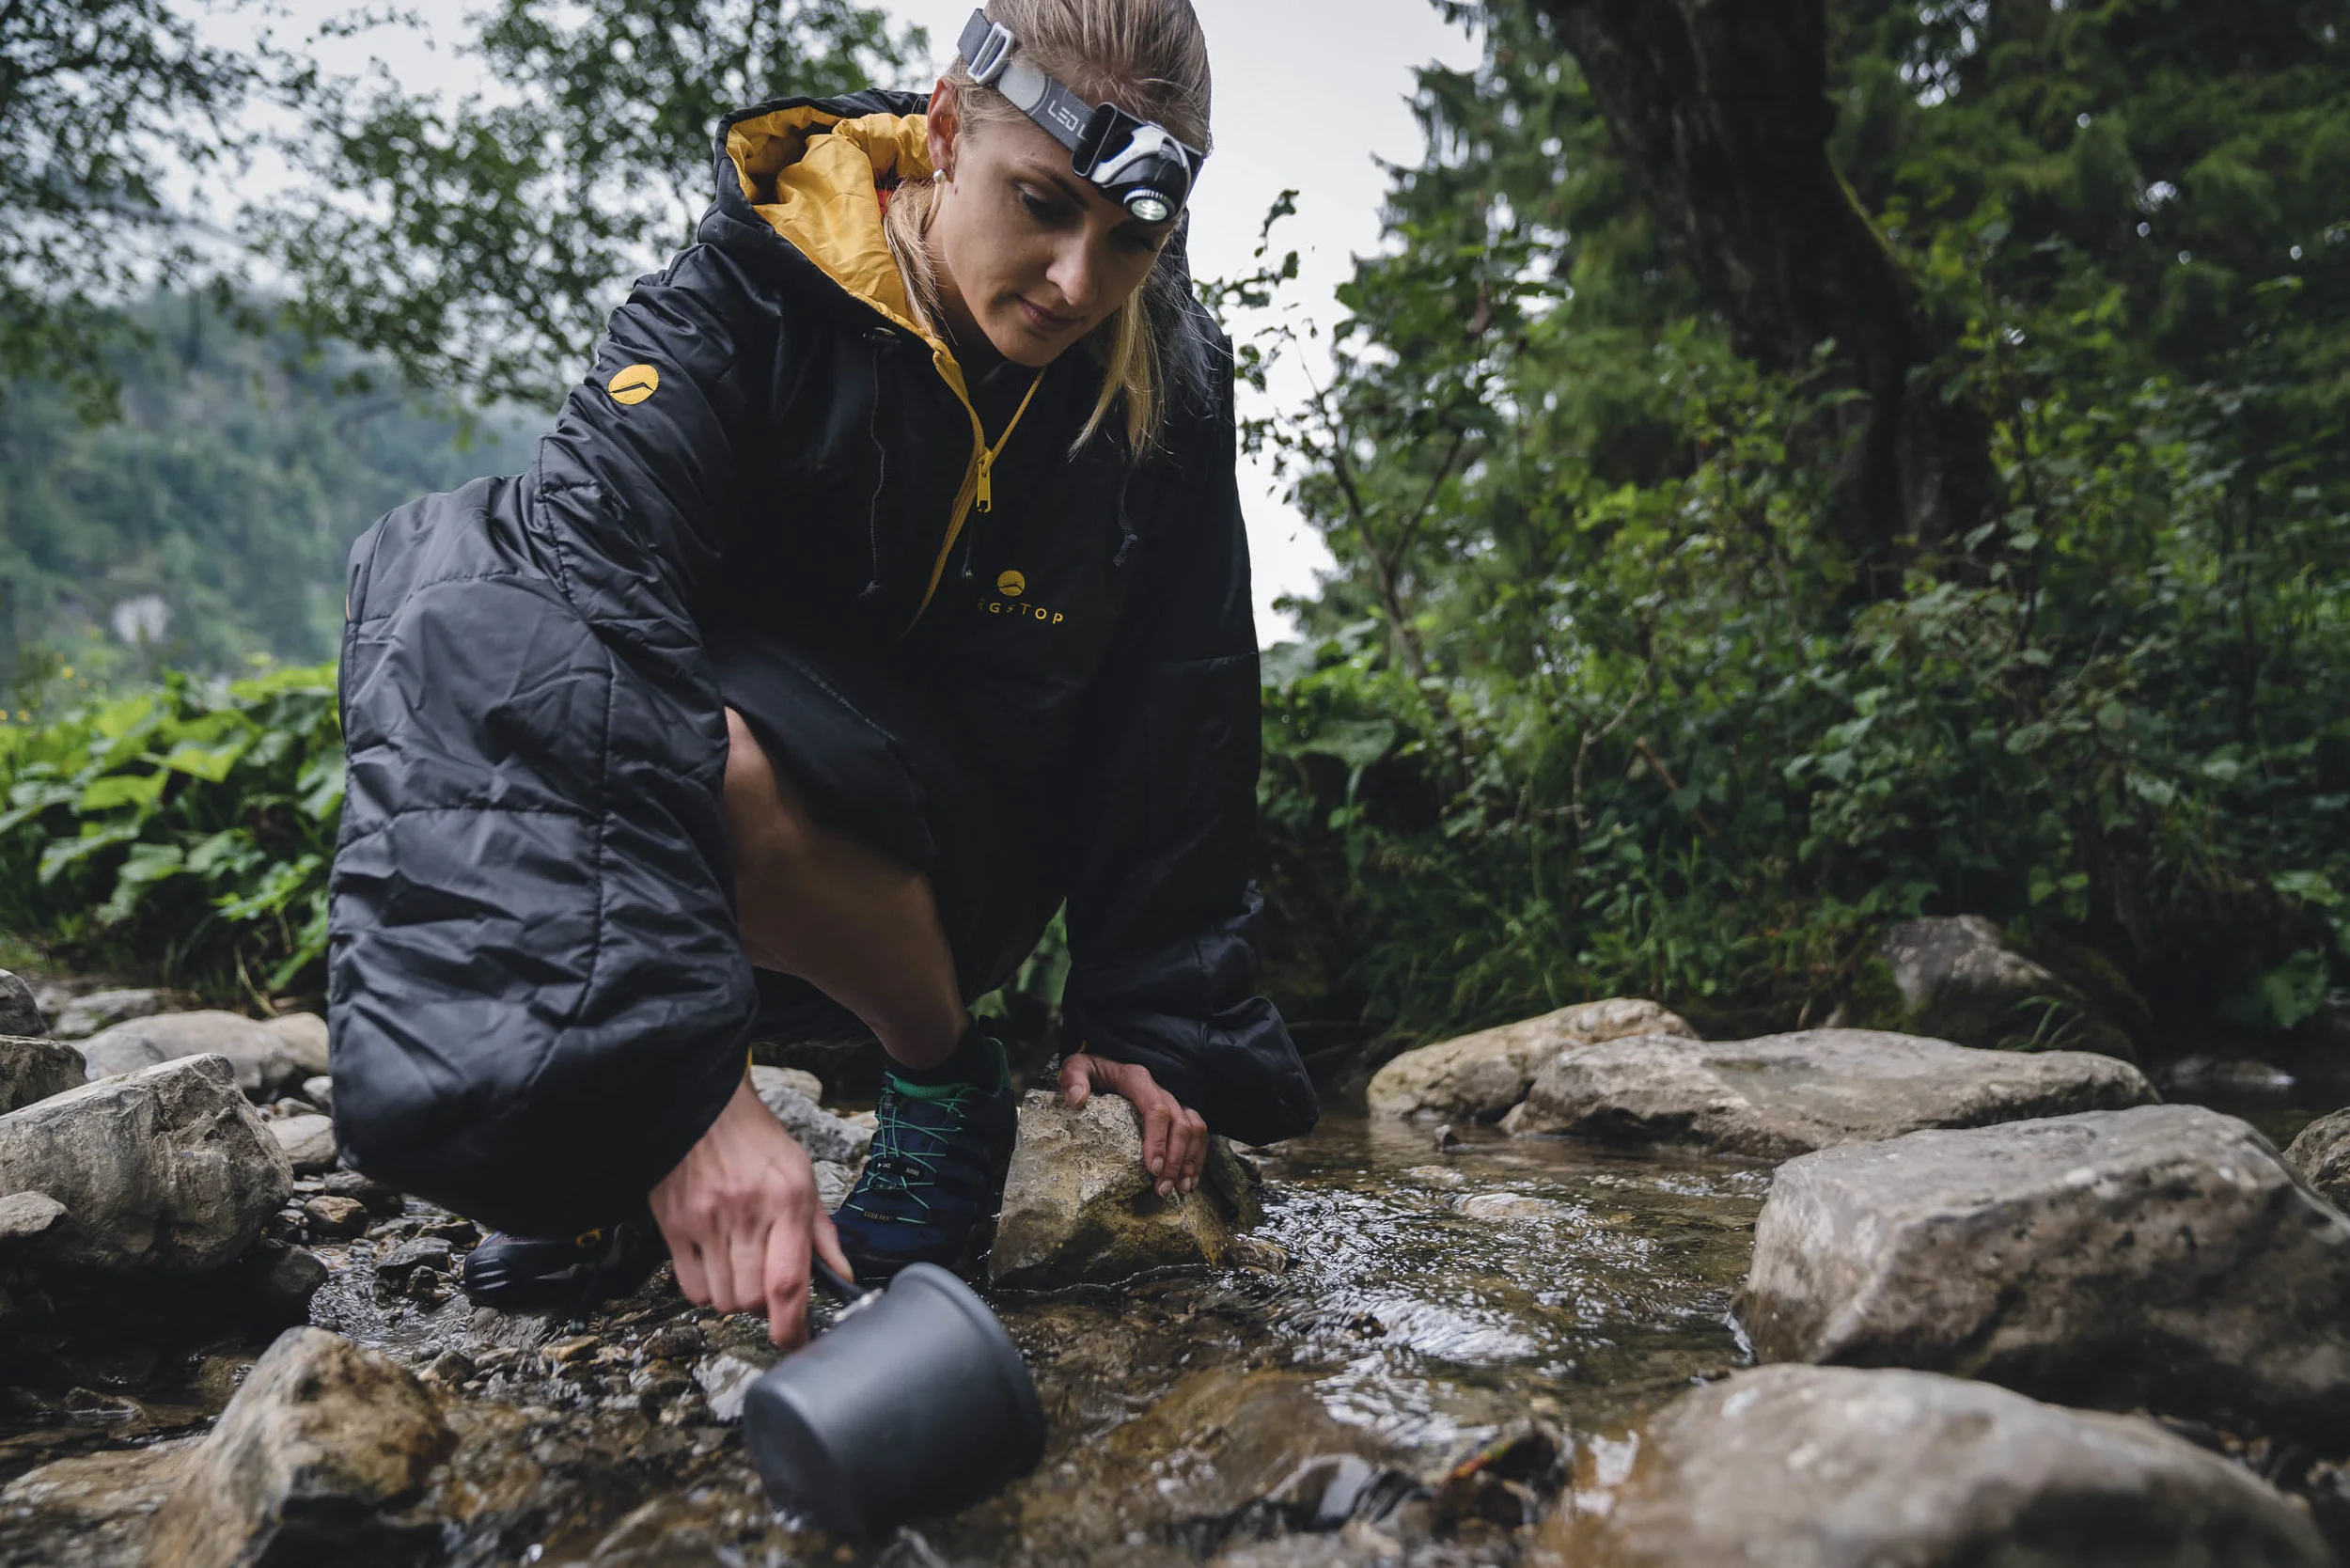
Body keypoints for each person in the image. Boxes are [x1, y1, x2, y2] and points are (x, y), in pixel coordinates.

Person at [326, 0, 1318, 1347]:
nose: (1078, 282)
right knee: (475, 567)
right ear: (947, 128)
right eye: (1041, 205)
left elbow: (1181, 688)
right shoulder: (738, 297)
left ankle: (943, 1082)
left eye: (1131, 240)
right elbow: (566, 617)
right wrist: (671, 1090)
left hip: (955, 862)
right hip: (712, 821)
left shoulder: (1165, 381)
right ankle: (626, 1120)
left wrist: (1154, 1018)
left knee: (723, 757)